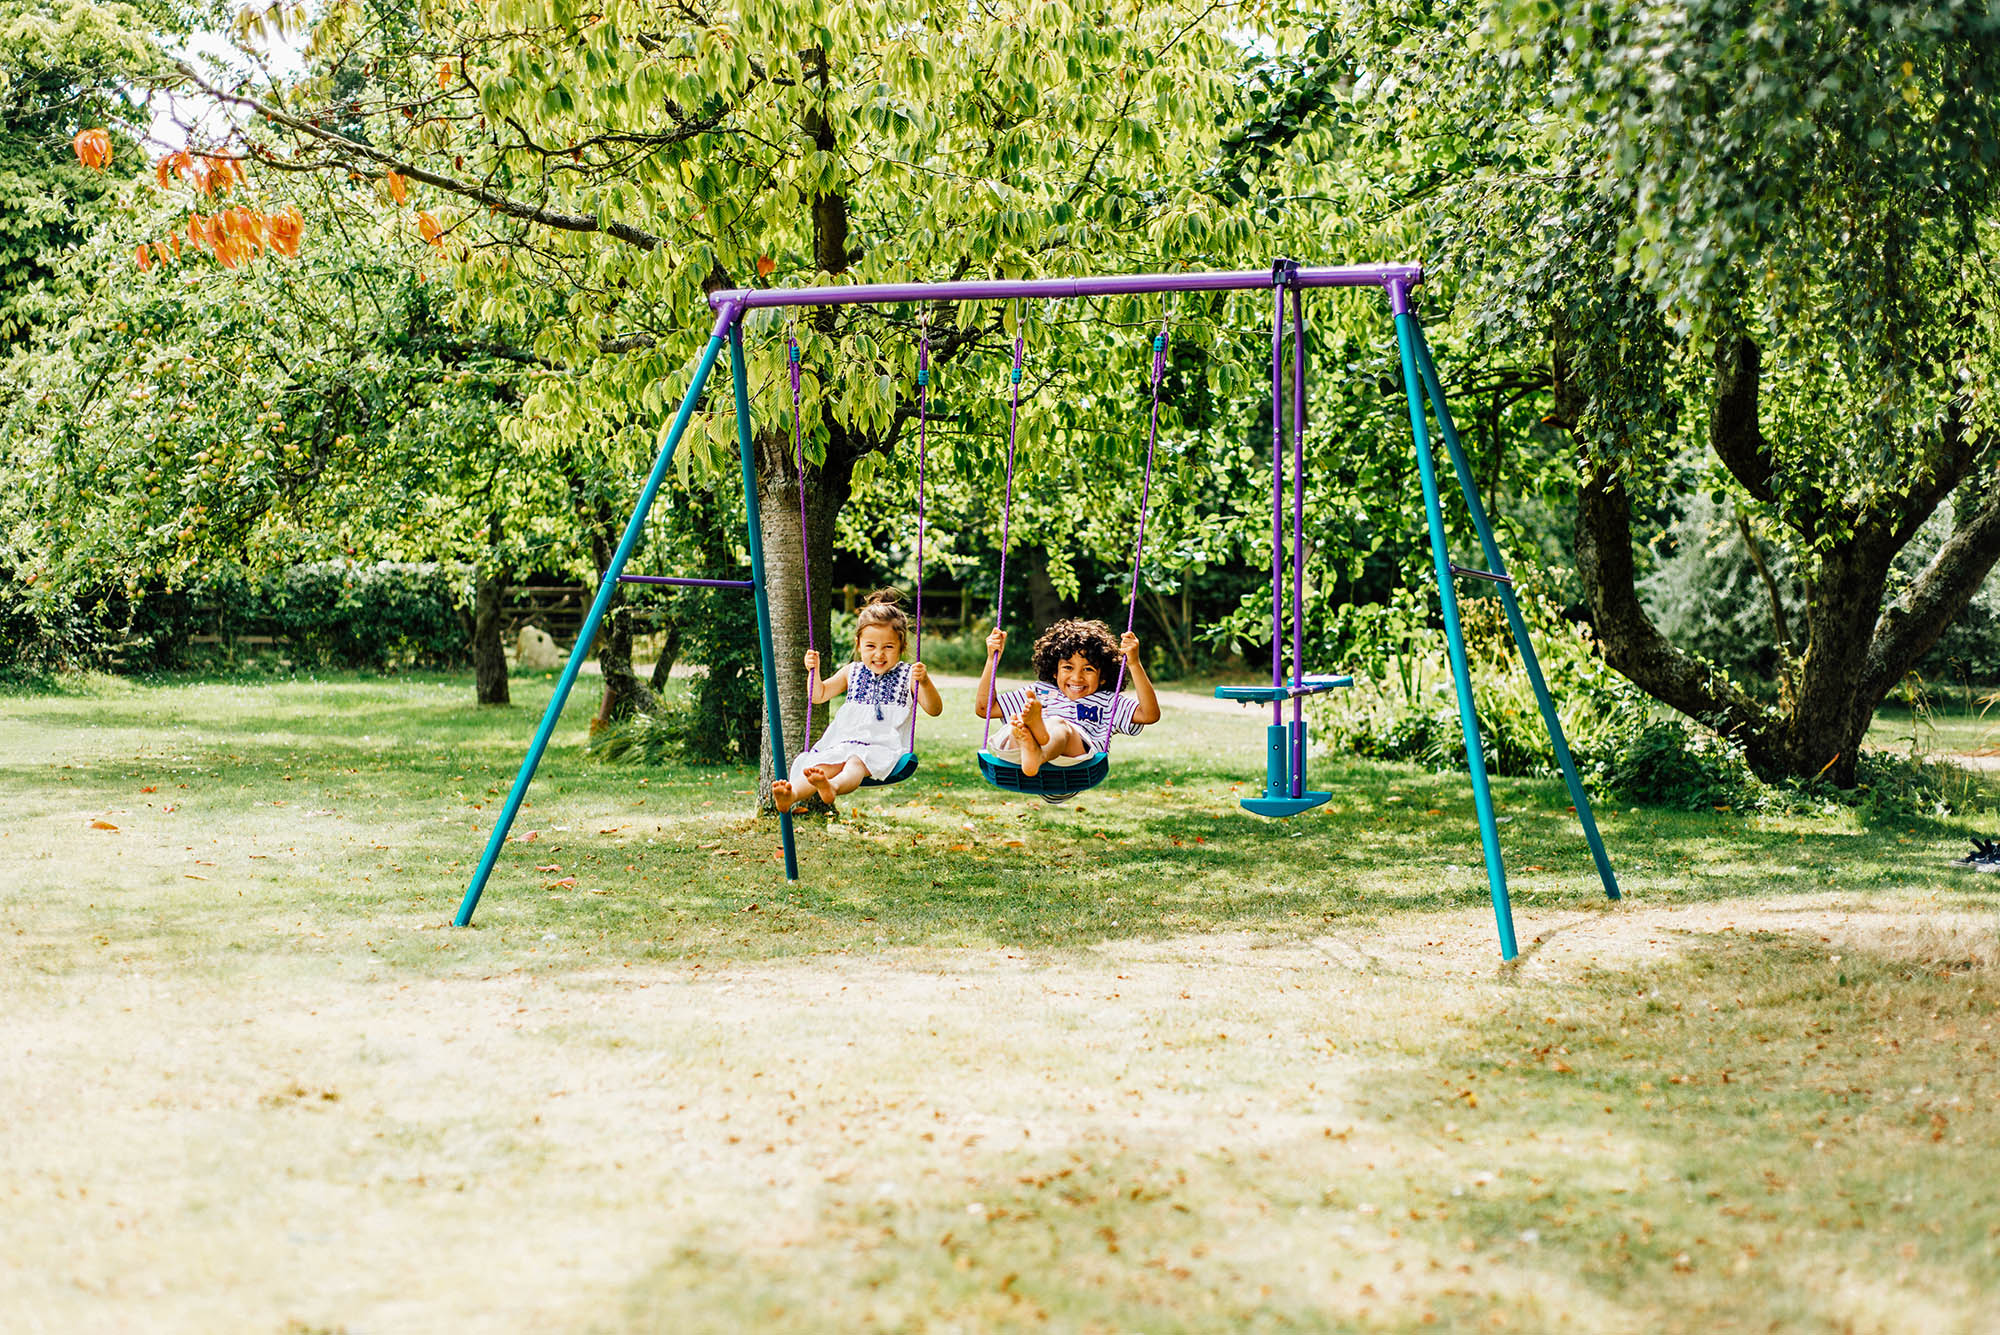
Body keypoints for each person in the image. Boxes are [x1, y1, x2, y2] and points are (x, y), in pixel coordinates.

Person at [772, 589, 942, 814]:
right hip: (844, 742)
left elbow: (934, 709)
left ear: (902, 646)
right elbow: (818, 695)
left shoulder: (908, 674)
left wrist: (926, 682)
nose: (879, 654)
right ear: (859, 644)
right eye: (871, 646)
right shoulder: (851, 671)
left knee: (855, 763)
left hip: (882, 747)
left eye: (888, 647)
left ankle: (832, 787)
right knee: (820, 766)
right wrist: (813, 671)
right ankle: (791, 795)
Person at [972, 617, 1162, 788]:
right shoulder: (1039, 692)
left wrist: (1134, 663)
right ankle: (1032, 736)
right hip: (1018, 755)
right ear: (1054, 671)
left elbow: (1149, 714)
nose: (1076, 677)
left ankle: (1039, 745)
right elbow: (984, 708)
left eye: (1088, 669)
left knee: (1058, 724)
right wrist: (991, 659)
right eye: (1068, 667)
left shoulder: (1107, 701)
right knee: (1017, 724)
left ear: (1103, 676)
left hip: (1073, 761)